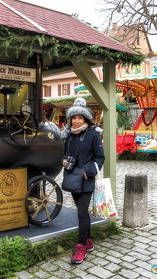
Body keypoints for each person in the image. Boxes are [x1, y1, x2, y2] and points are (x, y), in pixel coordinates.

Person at [61, 97, 105, 264]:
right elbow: (66, 154)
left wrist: (90, 172)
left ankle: (81, 246)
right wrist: (64, 160)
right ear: (70, 119)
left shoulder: (93, 134)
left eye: (80, 118)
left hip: (86, 178)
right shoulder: (69, 136)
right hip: (72, 178)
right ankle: (88, 240)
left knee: (81, 212)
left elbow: (100, 157)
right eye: (74, 118)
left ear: (86, 119)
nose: (77, 121)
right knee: (82, 212)